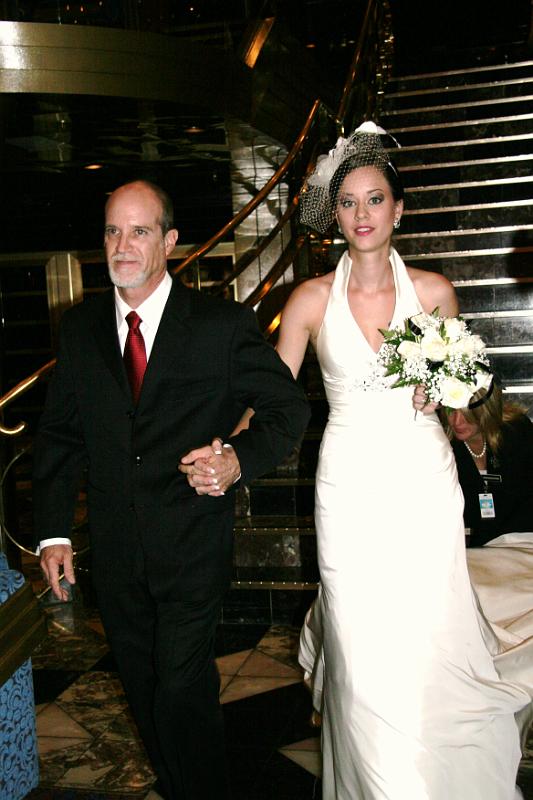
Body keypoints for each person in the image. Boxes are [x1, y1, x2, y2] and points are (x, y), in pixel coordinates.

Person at [272, 122, 530, 799]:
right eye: (348, 202)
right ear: (335, 215)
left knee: (427, 640)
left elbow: (468, 392)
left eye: (375, 199)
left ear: (398, 210)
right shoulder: (307, 301)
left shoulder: (435, 291)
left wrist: (445, 392)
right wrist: (221, 442)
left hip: (422, 484)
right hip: (346, 489)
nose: (361, 213)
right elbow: (269, 399)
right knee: (359, 649)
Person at [32, 179, 310, 800]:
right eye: (113, 231)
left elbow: (288, 407)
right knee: (146, 691)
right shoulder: (79, 329)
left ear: (171, 241)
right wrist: (53, 533)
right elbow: (59, 436)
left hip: (191, 544)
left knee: (180, 689)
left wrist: (236, 460)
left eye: (139, 231)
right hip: (116, 552)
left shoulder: (219, 324)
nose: (122, 245)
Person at [441, 383, 533, 546]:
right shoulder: (442, 445)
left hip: (522, 538)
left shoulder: (517, 432)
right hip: (470, 546)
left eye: (468, 415)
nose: (457, 422)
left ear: (486, 411)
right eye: (451, 412)